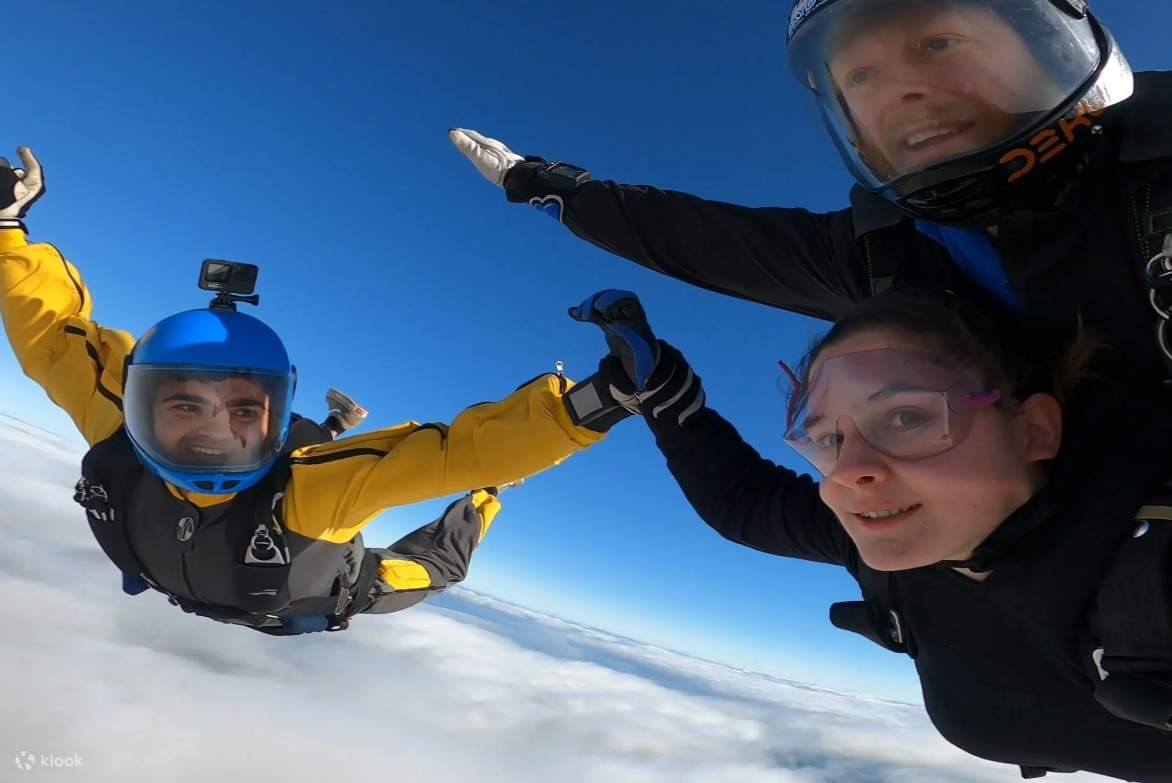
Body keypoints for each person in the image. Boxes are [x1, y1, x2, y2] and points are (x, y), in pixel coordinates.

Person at [0, 148, 622, 635]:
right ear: (138, 402)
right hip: (258, 560)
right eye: (186, 403)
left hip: (332, 590)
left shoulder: (306, 494)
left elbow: (453, 456)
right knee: (309, 460)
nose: (213, 429)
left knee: (438, 566)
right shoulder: (130, 436)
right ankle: (333, 422)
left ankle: (484, 501)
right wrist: (5, 225)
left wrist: (584, 407)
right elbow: (54, 336)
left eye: (244, 409)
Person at [569, 286, 1172, 781]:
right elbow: (744, 505)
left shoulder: (1150, 551)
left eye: (906, 417)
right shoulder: (886, 550)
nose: (851, 473)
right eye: (829, 439)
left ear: (1034, 429)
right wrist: (667, 401)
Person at [451, 0, 1172, 401]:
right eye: (859, 78)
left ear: (1047, 33)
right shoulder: (892, 256)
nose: (897, 91)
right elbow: (702, 239)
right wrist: (550, 187)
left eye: (939, 42)